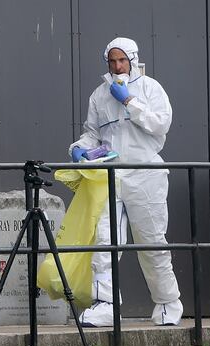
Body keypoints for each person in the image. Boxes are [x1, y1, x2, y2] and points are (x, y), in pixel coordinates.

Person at [68, 37, 182, 327]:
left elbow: (161, 124)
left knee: (151, 240)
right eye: (112, 61)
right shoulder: (99, 95)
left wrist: (130, 101)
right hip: (111, 173)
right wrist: (78, 149)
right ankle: (105, 303)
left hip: (146, 172)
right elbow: (92, 133)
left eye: (122, 60)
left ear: (132, 59)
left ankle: (168, 302)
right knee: (104, 239)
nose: (118, 67)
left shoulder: (151, 88)